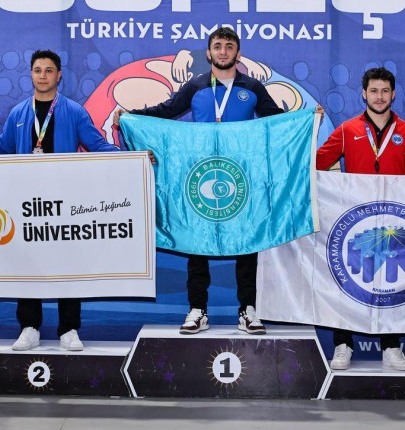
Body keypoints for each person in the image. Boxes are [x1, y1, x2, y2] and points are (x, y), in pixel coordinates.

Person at [113, 27, 283, 335]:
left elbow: (277, 121)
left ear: (238, 53)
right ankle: (197, 309)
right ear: (208, 53)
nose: (223, 51)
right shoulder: (196, 86)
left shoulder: (252, 87)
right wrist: (130, 115)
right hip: (200, 174)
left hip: (240, 177)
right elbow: (166, 112)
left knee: (247, 240)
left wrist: (307, 119)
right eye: (217, 46)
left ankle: (247, 309)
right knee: (197, 240)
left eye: (229, 46)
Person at [0, 49, 119, 352]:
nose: (43, 76)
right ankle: (29, 327)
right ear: (31, 75)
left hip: (65, 201)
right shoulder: (18, 113)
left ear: (59, 75)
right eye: (38, 70)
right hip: (26, 203)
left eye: (49, 70)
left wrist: (133, 158)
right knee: (26, 263)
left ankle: (69, 328)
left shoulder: (73, 111)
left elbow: (97, 145)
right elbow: (2, 150)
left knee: (68, 263)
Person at [316, 67, 405, 371]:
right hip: (355, 221)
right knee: (348, 283)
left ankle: (391, 347)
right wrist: (308, 129)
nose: (379, 97)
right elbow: (316, 162)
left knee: (391, 284)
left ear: (393, 94)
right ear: (363, 93)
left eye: (385, 91)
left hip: (393, 223)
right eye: (374, 91)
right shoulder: (347, 130)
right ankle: (343, 344)